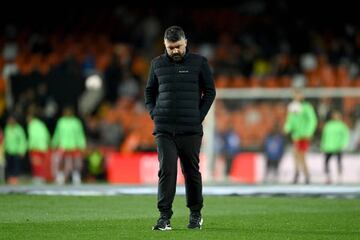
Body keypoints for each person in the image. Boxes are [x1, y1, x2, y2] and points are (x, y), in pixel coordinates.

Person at [145, 26, 216, 230]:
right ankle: (164, 217)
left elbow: (210, 92)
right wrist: (154, 114)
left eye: (177, 46)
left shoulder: (199, 63)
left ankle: (195, 214)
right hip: (164, 129)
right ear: (165, 46)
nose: (174, 51)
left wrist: (198, 116)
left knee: (191, 171)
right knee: (166, 170)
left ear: (186, 42)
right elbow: (149, 92)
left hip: (190, 129)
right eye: (170, 48)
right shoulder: (156, 64)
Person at [284, 89, 317, 184]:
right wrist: (287, 128)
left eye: (298, 94)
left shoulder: (307, 107)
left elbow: (312, 120)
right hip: (296, 136)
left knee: (301, 155)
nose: (296, 96)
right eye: (295, 95)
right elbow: (290, 120)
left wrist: (309, 132)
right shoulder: (292, 107)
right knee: (295, 155)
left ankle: (305, 175)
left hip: (304, 135)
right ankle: (298, 174)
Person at [52, 106, 86, 185]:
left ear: (72, 113)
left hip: (74, 144)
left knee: (75, 161)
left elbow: (80, 134)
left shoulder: (76, 122)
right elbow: (57, 133)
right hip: (63, 144)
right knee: (61, 161)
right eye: (66, 112)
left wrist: (82, 144)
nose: (67, 113)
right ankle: (60, 176)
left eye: (69, 112)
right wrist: (55, 143)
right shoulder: (61, 122)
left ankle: (76, 175)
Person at [320, 110, 349, 184]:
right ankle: (328, 177)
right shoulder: (328, 125)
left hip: (338, 147)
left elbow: (345, 136)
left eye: (337, 115)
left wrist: (343, 144)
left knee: (339, 162)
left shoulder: (342, 125)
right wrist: (322, 145)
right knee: (326, 162)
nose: (336, 117)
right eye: (334, 115)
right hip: (328, 147)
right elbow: (324, 136)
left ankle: (339, 178)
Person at [27, 109, 51, 184]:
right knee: (42, 163)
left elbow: (33, 137)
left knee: (36, 163)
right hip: (44, 147)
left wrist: (30, 146)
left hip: (36, 147)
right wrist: (47, 143)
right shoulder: (41, 124)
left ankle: (38, 177)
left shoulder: (32, 125)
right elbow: (47, 135)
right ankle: (42, 177)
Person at [4, 115, 27, 185]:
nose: (10, 122)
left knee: (16, 166)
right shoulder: (7, 128)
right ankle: (9, 179)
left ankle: (15, 179)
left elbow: (22, 140)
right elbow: (5, 139)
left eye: (11, 120)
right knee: (8, 166)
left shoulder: (19, 129)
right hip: (8, 151)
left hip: (16, 151)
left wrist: (22, 151)